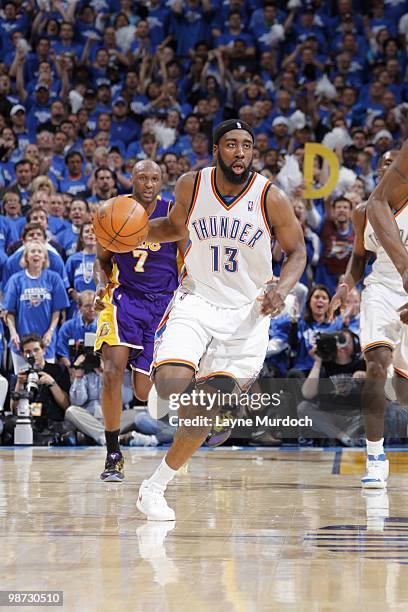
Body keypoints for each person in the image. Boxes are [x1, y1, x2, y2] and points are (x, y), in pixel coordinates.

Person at [135, 119, 306, 521]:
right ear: (216, 150)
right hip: (198, 298)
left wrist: (281, 290)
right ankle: (178, 383)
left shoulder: (271, 197)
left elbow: (296, 252)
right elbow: (175, 228)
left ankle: (153, 488)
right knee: (170, 384)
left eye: (247, 145)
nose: (240, 152)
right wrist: (133, 234)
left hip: (249, 311)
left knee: (204, 415)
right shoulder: (192, 185)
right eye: (231, 144)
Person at [93, 159, 179, 482]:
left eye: (154, 178)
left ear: (161, 181)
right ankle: (113, 454)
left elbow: (187, 262)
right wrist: (101, 287)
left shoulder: (173, 214)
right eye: (142, 177)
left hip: (162, 306)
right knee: (112, 372)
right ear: (131, 180)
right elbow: (101, 262)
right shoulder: (113, 211)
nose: (148, 184)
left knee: (144, 392)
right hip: (123, 300)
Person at [329, 149, 404, 488]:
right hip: (381, 289)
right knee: (376, 363)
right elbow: (359, 259)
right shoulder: (364, 212)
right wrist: (345, 286)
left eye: (396, 164)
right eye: (385, 164)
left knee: (403, 393)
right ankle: (375, 456)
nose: (390, 169)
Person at [3, 240, 70, 372]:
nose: (36, 254)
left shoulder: (54, 278)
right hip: (21, 341)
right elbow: (9, 312)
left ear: (44, 257)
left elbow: (57, 310)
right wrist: (13, 333)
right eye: (32, 251)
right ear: (26, 256)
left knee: (45, 382)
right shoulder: (16, 280)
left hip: (45, 341)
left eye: (40, 252)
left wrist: (50, 332)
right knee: (23, 382)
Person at [4, 333, 74, 446]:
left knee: (68, 429)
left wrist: (52, 383)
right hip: (29, 422)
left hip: (53, 421)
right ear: (22, 354)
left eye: (36, 350)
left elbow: (66, 405)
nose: (33, 354)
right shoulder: (20, 376)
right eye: (28, 352)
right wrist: (19, 384)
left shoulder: (59, 370)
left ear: (44, 350)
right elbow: (15, 411)